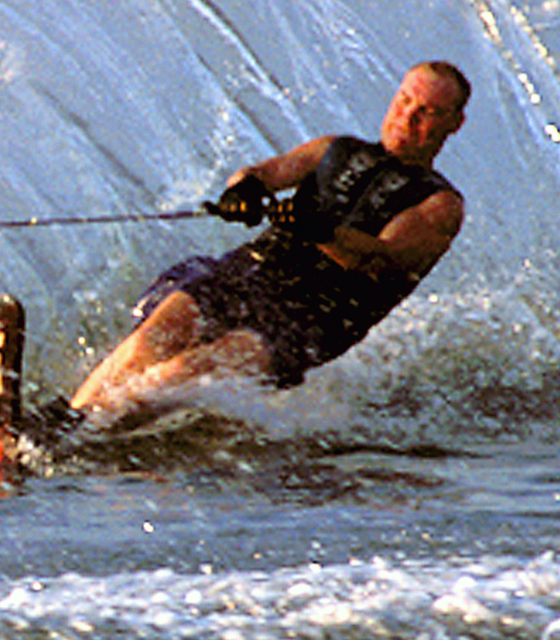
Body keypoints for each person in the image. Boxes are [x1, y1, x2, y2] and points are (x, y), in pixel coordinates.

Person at [65, 58, 471, 432]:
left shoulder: (439, 204)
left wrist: (321, 232)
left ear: (454, 124)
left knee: (183, 372)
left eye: (428, 112)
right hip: (250, 272)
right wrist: (245, 191)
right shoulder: (335, 149)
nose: (407, 117)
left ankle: (77, 431)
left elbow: (382, 260)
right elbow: (265, 172)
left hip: (311, 317)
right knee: (152, 339)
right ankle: (63, 421)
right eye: (404, 100)